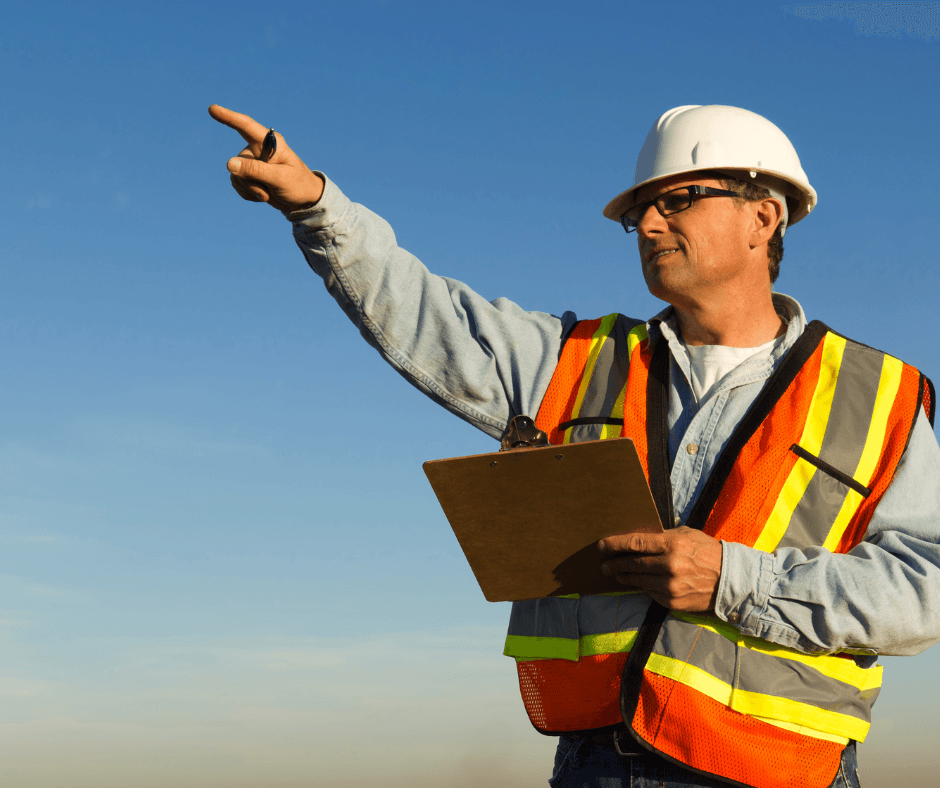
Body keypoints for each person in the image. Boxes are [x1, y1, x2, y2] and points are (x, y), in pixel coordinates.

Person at [208, 103, 940, 788]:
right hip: (597, 763)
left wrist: (733, 580)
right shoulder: (573, 358)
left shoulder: (879, 396)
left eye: (676, 200)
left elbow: (926, 591)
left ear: (763, 216)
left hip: (781, 773)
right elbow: (428, 314)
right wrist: (314, 203)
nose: (648, 224)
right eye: (639, 214)